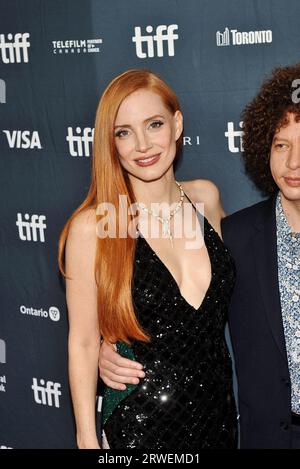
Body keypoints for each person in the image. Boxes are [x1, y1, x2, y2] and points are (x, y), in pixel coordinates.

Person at [99, 63, 300, 449]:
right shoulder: (237, 236)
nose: (293, 162)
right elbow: (171, 295)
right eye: (281, 144)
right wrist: (110, 348)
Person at [58, 69, 238, 449]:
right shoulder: (97, 225)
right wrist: (87, 439)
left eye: (154, 124)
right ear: (111, 143)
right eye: (123, 132)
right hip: (139, 428)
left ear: (177, 124)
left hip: (217, 420)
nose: (142, 145)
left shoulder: (206, 199)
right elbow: (84, 343)